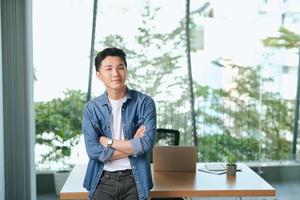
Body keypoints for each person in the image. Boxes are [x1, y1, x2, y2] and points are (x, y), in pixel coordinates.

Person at [82, 47, 157, 200]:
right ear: (99, 75)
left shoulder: (144, 103)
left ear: (126, 70)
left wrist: (108, 142)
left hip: (135, 179)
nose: (115, 73)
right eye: (108, 69)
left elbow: (146, 144)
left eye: (120, 67)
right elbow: (94, 151)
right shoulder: (91, 108)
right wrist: (133, 146)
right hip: (102, 179)